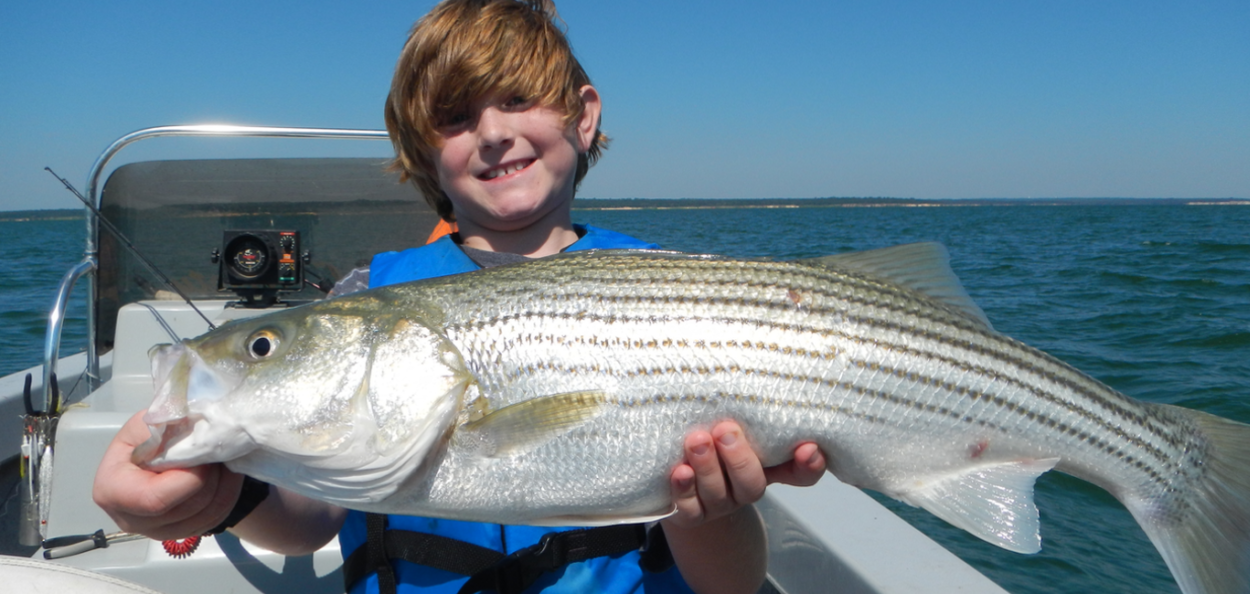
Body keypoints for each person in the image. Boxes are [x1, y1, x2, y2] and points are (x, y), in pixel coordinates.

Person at [93, 1, 827, 593]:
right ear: (424, 153)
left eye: (518, 99)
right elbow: (308, 522)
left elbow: (731, 585)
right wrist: (224, 497)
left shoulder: (669, 289)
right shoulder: (367, 294)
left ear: (584, 115)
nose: (493, 134)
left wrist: (709, 511)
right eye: (455, 118)